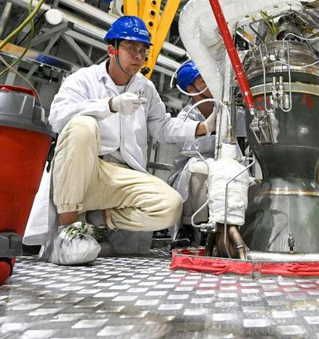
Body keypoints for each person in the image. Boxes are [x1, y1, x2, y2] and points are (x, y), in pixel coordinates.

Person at [25, 16, 216, 265]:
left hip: (121, 175)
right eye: (131, 49)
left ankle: (97, 218)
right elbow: (58, 117)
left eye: (143, 50)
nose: (138, 56)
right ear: (112, 50)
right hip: (84, 170)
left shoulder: (144, 88)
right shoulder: (83, 79)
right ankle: (69, 230)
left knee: (170, 206)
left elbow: (162, 127)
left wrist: (202, 127)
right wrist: (109, 105)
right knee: (83, 126)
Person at [167, 61, 216, 244]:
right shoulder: (186, 117)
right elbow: (190, 147)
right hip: (191, 173)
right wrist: (209, 128)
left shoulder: (231, 110)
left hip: (223, 170)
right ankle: (188, 227)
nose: (211, 82)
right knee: (200, 169)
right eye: (203, 79)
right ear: (191, 88)